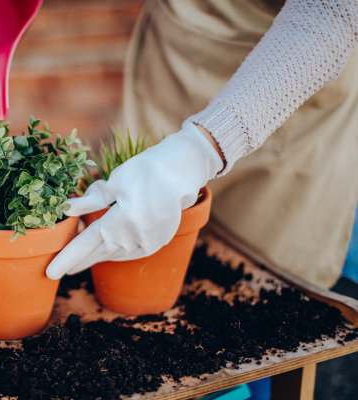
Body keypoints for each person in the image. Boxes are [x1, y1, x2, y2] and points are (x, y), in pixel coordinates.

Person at [46, 0, 358, 292]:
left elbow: (332, 14)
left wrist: (200, 151)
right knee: (137, 212)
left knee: (254, 284)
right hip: (182, 48)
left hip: (285, 79)